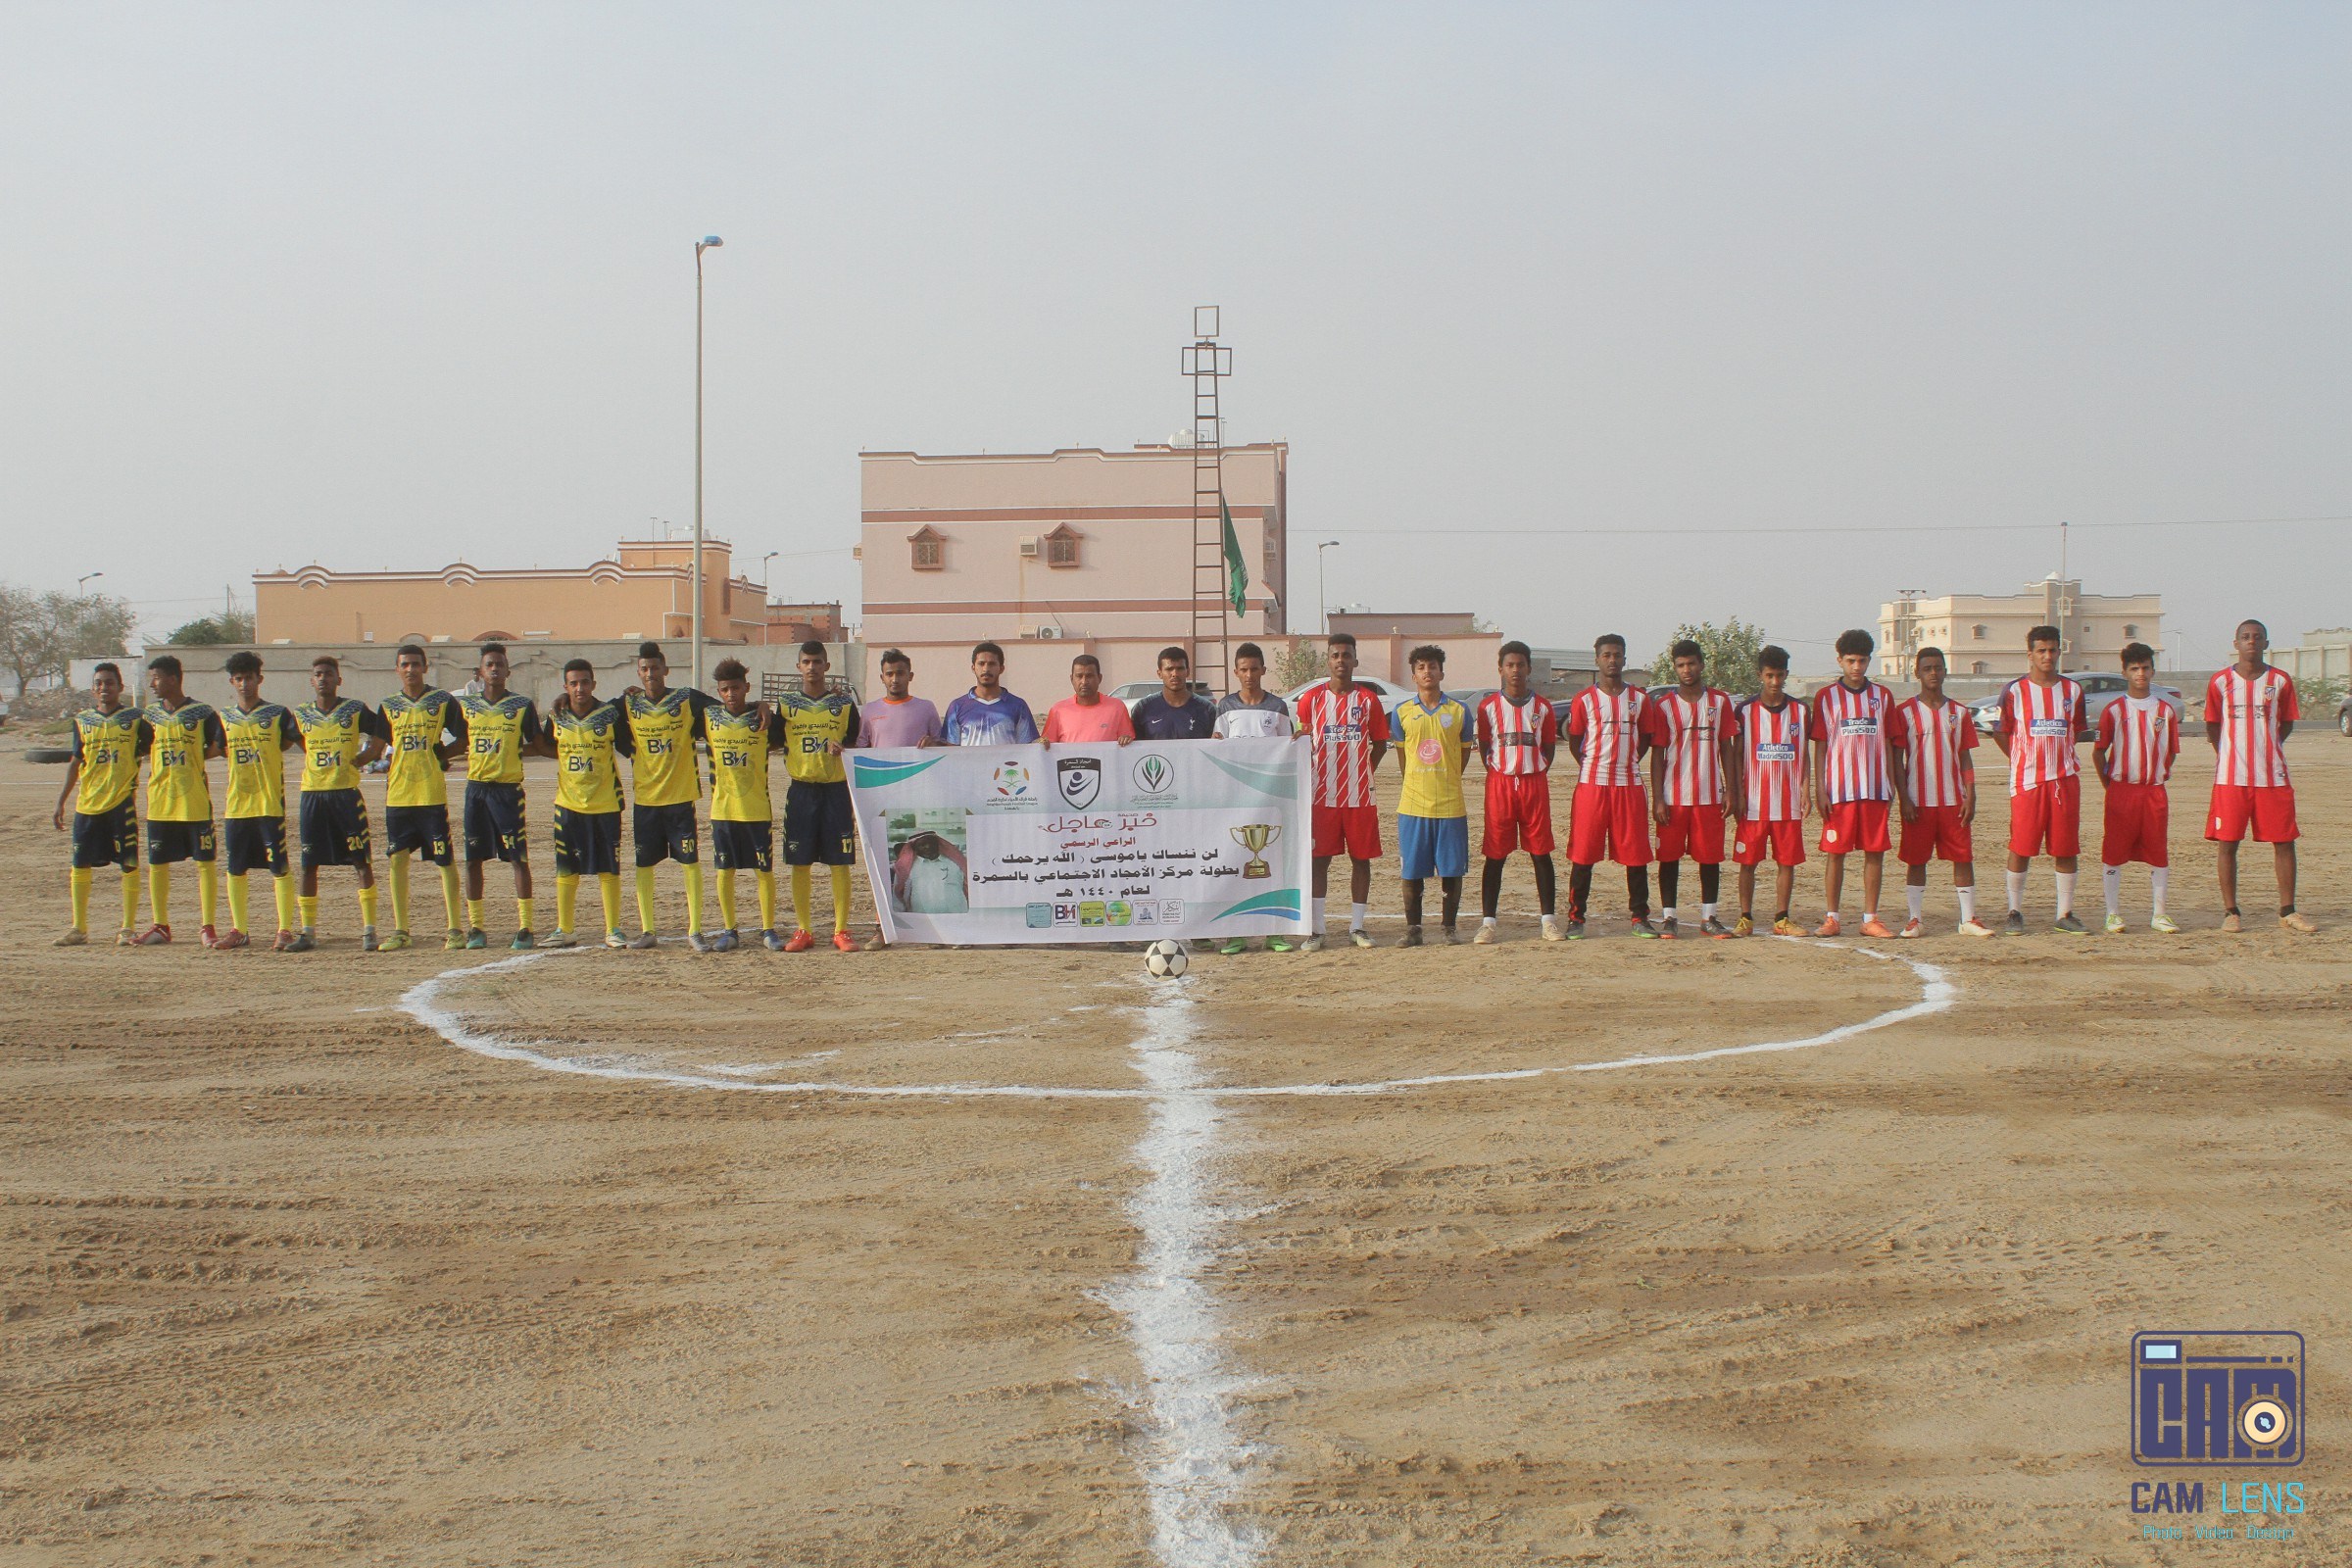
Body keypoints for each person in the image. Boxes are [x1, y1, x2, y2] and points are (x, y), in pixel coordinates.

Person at [2205, 618, 2314, 933]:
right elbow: (2213, 726)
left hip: (2272, 777)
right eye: (2246, 637)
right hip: (2230, 778)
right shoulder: (2220, 682)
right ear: (2236, 643)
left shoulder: (2280, 681)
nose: (2251, 641)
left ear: (2266, 643)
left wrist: (2267, 748)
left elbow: (2286, 723)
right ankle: (2231, 912)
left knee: (2284, 841)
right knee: (2228, 843)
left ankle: (2288, 911)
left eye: (2257, 637)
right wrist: (2229, 753)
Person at [1293, 631, 1390, 950]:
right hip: (1322, 796)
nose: (1341, 661)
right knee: (1319, 861)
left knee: (1361, 860)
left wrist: (1363, 771)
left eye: (1346, 655)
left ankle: (1357, 927)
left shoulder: (1368, 700)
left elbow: (1380, 743)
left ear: (1355, 661)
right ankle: (1317, 929)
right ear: (1328, 660)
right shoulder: (1311, 700)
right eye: (1335, 655)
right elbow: (1302, 742)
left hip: (1360, 797)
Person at [1888, 646, 1991, 937]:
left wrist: (1971, 794)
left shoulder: (1959, 712)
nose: (1933, 673)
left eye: (1938, 668)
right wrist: (1904, 798)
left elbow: (1965, 756)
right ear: (1917, 673)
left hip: (1953, 800)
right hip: (1918, 800)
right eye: (1927, 669)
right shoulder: (1904, 712)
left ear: (1945, 671)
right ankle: (1915, 919)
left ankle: (1968, 918)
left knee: (1963, 857)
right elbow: (1897, 759)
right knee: (1916, 859)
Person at [1992, 625, 2086, 935]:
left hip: (2064, 780)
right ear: (2030, 654)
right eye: (2041, 650)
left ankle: (2065, 913)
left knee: (2066, 848)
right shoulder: (2015, 691)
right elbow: (2001, 731)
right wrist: (2022, 759)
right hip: (2028, 782)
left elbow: (2076, 731)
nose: (2047, 656)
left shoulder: (2073, 691)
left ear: (2059, 652)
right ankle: (2014, 911)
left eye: (2052, 650)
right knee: (2021, 847)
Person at [1563, 632, 1658, 938]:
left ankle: (1640, 916)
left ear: (1624, 659)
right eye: (1606, 655)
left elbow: (1645, 739)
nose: (1612, 660)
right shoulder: (1584, 700)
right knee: (1583, 854)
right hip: (1592, 785)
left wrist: (1627, 762)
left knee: (1636, 854)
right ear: (1597, 660)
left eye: (1617, 655)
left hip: (1628, 785)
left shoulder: (1639, 699)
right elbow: (1575, 740)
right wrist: (1593, 765)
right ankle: (1576, 918)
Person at [291, 656, 389, 952]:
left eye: (329, 673)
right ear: (312, 680)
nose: (323, 678)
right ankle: (307, 931)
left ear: (339, 679)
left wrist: (368, 756)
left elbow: (383, 730)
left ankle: (369, 930)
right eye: (318, 674)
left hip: (345, 794)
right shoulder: (302, 713)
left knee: (361, 861)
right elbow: (298, 741)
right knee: (309, 864)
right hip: (312, 795)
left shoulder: (354, 709)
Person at [621, 641, 713, 951]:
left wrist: (761, 706)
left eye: (655, 668)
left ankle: (695, 930)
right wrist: (562, 700)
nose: (650, 674)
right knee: (643, 866)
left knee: (690, 863)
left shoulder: (686, 699)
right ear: (638, 672)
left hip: (680, 799)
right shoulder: (629, 703)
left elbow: (726, 707)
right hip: (645, 801)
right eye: (645, 669)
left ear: (665, 669)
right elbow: (594, 710)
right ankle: (647, 931)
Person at [378, 644, 469, 952]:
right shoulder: (388, 705)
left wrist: (443, 754)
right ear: (397, 669)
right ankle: (401, 930)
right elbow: (377, 742)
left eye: (416, 664)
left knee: (444, 859)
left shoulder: (442, 701)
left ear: (425, 667)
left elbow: (463, 738)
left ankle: (455, 929)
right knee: (397, 860)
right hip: (398, 795)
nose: (410, 669)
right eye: (405, 664)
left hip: (431, 794)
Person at [1807, 629, 1896, 939]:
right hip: (1839, 790)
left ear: (1869, 661)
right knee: (1836, 853)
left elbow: (1889, 742)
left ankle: (1870, 918)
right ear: (1840, 661)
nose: (1856, 667)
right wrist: (1820, 788)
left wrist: (1890, 785)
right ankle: (1832, 918)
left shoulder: (1882, 696)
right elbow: (1820, 745)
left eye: (1862, 661)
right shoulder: (1826, 697)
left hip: (1874, 789)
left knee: (1875, 852)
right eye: (1851, 661)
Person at [1645, 638, 1737, 940]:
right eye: (1681, 665)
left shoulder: (1720, 702)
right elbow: (1658, 754)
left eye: (1691, 664)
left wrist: (1731, 789)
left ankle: (1709, 916)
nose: (1687, 670)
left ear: (1701, 664)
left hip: (1709, 796)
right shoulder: (1664, 706)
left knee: (1710, 858)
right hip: (1674, 797)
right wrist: (1658, 798)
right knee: (1669, 858)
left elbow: (1726, 747)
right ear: (1675, 668)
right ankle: (1669, 917)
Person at [52, 662, 146, 948]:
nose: (104, 688)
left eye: (109, 683)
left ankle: (127, 927)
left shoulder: (136, 719)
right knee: (79, 865)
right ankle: (78, 928)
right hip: (88, 806)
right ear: (93, 689)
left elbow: (154, 749)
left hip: (121, 804)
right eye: (99, 683)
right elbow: (75, 763)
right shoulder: (82, 721)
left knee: (128, 865)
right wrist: (61, 802)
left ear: (120, 687)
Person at [1474, 640, 1562, 943]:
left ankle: (1548, 921)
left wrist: (1532, 769)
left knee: (1540, 853)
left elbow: (1548, 747)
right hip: (1500, 785)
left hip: (1533, 784)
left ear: (1529, 668)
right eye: (1509, 665)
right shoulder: (1487, 707)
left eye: (1520, 665)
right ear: (1500, 669)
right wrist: (1502, 770)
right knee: (1495, 854)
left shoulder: (1543, 707)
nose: (1515, 670)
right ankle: (1488, 923)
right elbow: (1485, 746)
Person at [1211, 643, 1297, 954]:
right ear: (1236, 672)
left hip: (1270, 800)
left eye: (1254, 669)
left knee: (1273, 865)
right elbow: (1218, 749)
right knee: (1236, 866)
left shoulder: (1277, 706)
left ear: (1263, 670)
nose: (1249, 675)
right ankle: (1236, 934)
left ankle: (1276, 932)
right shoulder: (1225, 707)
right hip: (1237, 801)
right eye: (1244, 669)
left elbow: (1289, 750)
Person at [777, 640, 862, 953]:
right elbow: (770, 736)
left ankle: (841, 930)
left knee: (839, 862)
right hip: (801, 790)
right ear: (798, 667)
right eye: (806, 662)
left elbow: (857, 741)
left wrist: (844, 748)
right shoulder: (785, 705)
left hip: (835, 790)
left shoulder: (843, 705)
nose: (812, 667)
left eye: (817, 662)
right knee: (800, 862)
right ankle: (804, 930)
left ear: (827, 666)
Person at [541, 658, 631, 951]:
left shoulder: (610, 714)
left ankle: (613, 929)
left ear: (594, 683)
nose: (580, 688)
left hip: (605, 804)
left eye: (584, 682)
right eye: (573, 683)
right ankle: (565, 928)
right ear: (565, 686)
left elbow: (630, 746)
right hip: (567, 804)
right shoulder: (556, 716)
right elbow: (545, 745)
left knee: (609, 868)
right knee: (567, 868)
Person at [136, 654, 225, 947]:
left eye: (156, 678)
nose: (152, 684)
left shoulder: (202, 712)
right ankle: (160, 925)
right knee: (158, 862)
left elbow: (219, 744)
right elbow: (139, 747)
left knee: (205, 862)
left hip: (194, 800)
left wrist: (195, 757)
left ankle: (208, 927)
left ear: (173, 679)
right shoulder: (149, 715)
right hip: (160, 800)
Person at [458, 642, 542, 950]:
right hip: (476, 790)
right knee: (472, 860)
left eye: (499, 665)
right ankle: (476, 927)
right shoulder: (466, 707)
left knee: (518, 858)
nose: (494, 669)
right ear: (480, 672)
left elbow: (538, 743)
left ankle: (525, 927)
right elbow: (458, 742)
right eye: (489, 665)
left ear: (508, 671)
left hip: (508, 791)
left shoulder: (521, 705)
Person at [216, 652, 301, 952]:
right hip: (237, 806)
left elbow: (288, 742)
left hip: (269, 804)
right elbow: (220, 748)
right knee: (235, 868)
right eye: (238, 679)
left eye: (249, 678)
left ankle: (285, 929)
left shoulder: (278, 714)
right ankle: (239, 930)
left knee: (279, 867)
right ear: (231, 682)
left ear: (259, 679)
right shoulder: (225, 718)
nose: (244, 684)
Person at [2096, 642, 2180, 934]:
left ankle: (2160, 913)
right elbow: (2099, 751)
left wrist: (2158, 772)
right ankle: (2112, 913)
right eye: (2134, 669)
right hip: (2121, 790)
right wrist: (2110, 785)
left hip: (2154, 791)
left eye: (2145, 668)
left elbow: (2171, 751)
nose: (2140, 674)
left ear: (2153, 670)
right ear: (2125, 672)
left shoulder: (2166, 711)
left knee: (2158, 851)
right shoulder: (2114, 710)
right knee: (2114, 851)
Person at [1392, 645, 1473, 946]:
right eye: (1421, 667)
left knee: (1452, 869)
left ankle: (1449, 927)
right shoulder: (1402, 712)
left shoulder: (1459, 711)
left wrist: (1446, 777)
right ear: (1414, 675)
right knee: (1412, 871)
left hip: (1450, 804)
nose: (1428, 672)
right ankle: (1414, 929)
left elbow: (1462, 757)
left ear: (1442, 672)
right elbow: (1403, 759)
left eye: (1433, 666)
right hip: (1413, 804)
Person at [704, 659, 785, 953]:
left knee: (763, 871)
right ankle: (730, 930)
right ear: (718, 691)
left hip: (757, 810)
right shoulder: (708, 716)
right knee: (725, 871)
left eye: (736, 688)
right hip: (722, 811)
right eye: (725, 689)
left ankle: (768, 929)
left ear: (746, 687)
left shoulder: (762, 720)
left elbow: (786, 732)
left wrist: (763, 706)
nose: (731, 694)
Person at [1731, 646, 1808, 937]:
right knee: (1747, 862)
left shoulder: (1801, 711)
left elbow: (1804, 754)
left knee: (1786, 862)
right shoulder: (1745, 711)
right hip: (1753, 802)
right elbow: (1737, 754)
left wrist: (1806, 790)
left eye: (1779, 675)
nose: (1775, 682)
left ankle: (1781, 918)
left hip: (1788, 802)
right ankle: (1745, 918)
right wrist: (1737, 793)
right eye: (1769, 676)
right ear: (1760, 675)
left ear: (1786, 674)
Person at [941, 642, 1038, 745]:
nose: (986, 669)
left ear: (1001, 668)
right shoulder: (957, 706)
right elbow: (950, 748)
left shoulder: (1018, 705)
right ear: (973, 668)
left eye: (992, 664)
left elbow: (1028, 747)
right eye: (981, 663)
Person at [1042, 653, 1136, 744]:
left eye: (1089, 676)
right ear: (1071, 679)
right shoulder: (1058, 710)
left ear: (1099, 678)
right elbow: (1046, 746)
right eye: (1079, 676)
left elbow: (1128, 743)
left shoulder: (1117, 707)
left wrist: (1126, 739)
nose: (1084, 681)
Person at [858, 649, 942, 748]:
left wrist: (933, 744)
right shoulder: (869, 710)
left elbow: (942, 746)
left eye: (900, 673)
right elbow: (861, 748)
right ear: (882, 678)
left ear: (910, 676)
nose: (895, 679)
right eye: (889, 674)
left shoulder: (927, 708)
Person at [1133, 647, 1217, 740]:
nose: (1175, 674)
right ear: (1159, 673)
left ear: (1187, 672)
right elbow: (1134, 745)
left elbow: (1215, 745)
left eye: (1180, 669)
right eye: (1169, 669)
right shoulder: (1143, 708)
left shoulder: (1207, 710)